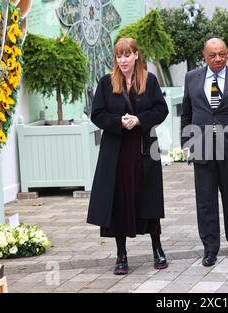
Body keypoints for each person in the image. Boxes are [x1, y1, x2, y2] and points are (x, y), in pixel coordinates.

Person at [87, 38, 169, 275]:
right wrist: (118, 122)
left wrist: (139, 120)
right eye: (118, 56)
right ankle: (121, 255)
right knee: (119, 202)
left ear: (136, 55)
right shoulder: (105, 83)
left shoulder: (149, 80)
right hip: (116, 152)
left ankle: (157, 249)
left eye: (126, 55)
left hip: (143, 149)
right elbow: (97, 114)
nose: (122, 60)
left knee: (149, 198)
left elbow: (160, 109)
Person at [181, 38, 228, 267]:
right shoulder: (191, 78)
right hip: (201, 148)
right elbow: (186, 114)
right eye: (212, 55)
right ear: (204, 56)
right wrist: (186, 143)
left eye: (222, 54)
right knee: (205, 201)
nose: (218, 59)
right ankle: (210, 248)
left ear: (227, 54)